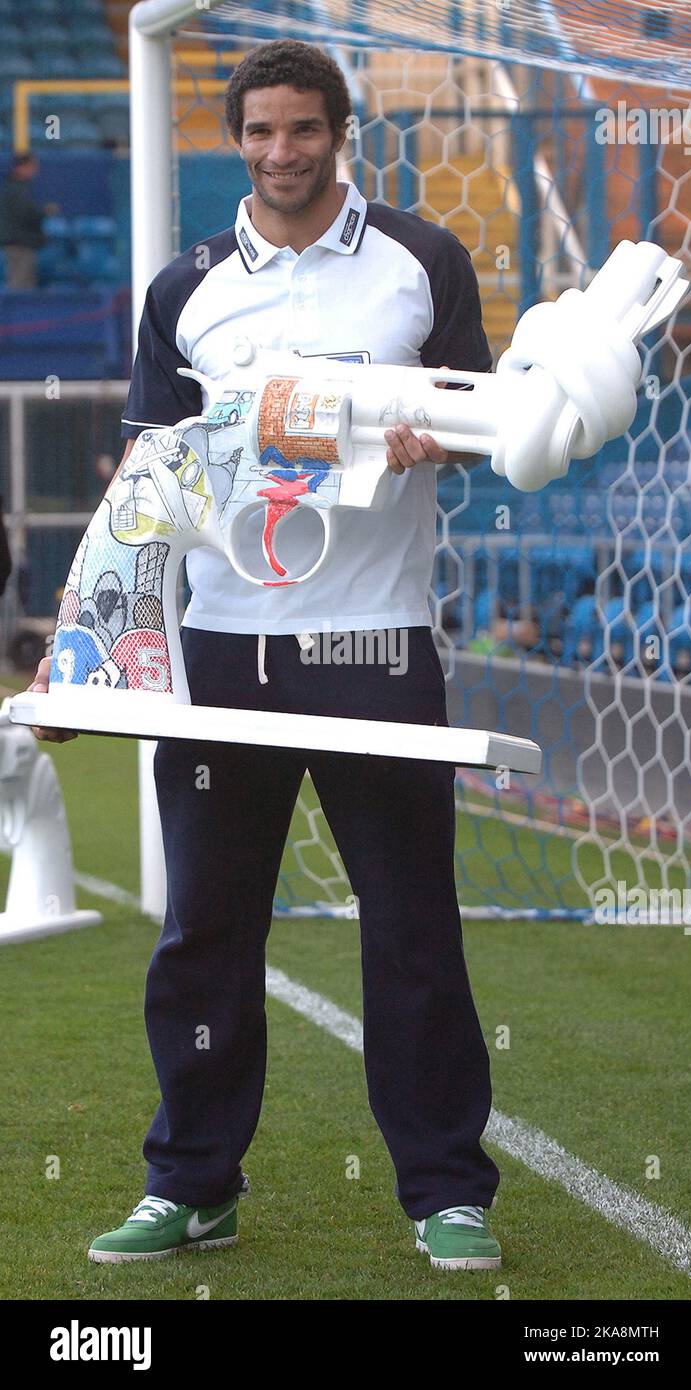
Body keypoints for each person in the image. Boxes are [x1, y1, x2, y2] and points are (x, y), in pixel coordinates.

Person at [30, 38, 502, 1272]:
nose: (280, 152)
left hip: (376, 643)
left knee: (409, 926)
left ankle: (448, 1191)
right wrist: (92, 650)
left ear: (340, 133)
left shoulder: (424, 261)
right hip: (221, 653)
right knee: (204, 929)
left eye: (302, 130)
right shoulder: (184, 288)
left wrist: (427, 442)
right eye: (258, 133)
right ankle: (191, 1184)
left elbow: (487, 425)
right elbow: (147, 484)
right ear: (234, 139)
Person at [0, 154, 50, 290]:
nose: (35, 171)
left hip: (22, 241)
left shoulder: (18, 186)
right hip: (19, 242)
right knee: (20, 284)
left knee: (25, 283)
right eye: (32, 167)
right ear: (22, 167)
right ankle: (14, 311)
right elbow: (25, 213)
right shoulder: (15, 188)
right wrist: (44, 212)